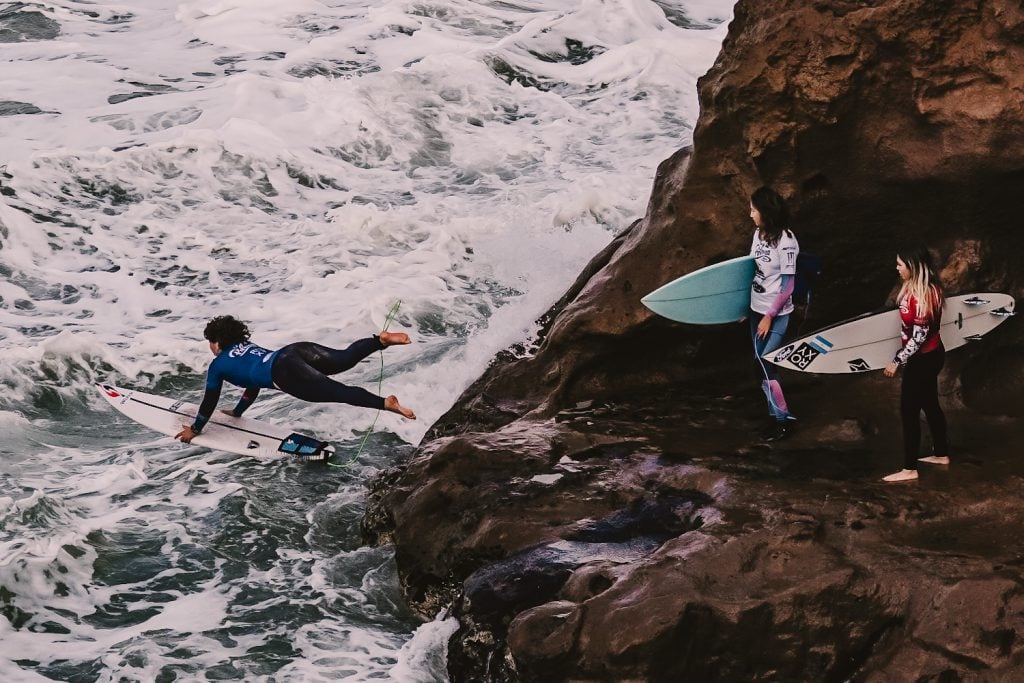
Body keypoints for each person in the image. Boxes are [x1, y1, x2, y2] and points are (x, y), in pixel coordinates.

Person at [175, 315, 415, 443]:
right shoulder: (245, 346)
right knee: (343, 359)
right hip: (293, 351)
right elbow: (253, 385)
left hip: (285, 372)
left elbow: (210, 400)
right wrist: (238, 412)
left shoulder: (218, 365)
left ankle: (386, 403)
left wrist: (195, 429)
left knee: (338, 392)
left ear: (216, 342)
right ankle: (380, 341)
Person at [881, 247, 948, 482]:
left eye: (900, 264)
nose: (897, 268)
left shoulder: (921, 295)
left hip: (924, 359)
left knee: (909, 411)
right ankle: (941, 454)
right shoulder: (929, 288)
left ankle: (909, 469)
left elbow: (919, 336)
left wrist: (896, 360)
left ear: (914, 266)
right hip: (933, 355)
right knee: (930, 404)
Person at [748, 186, 799, 441]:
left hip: (776, 315)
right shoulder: (758, 235)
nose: (750, 214)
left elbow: (788, 285)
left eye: (754, 210)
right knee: (760, 365)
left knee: (767, 364)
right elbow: (750, 270)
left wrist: (769, 315)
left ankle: (784, 420)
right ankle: (774, 416)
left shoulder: (787, 241)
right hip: (756, 310)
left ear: (766, 212)